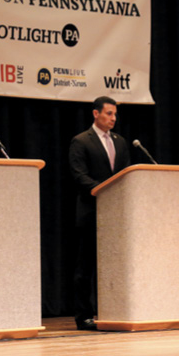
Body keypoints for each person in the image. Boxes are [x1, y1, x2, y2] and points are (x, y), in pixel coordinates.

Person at [68, 96, 131, 330]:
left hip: (116, 214)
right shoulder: (81, 141)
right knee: (85, 268)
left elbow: (126, 174)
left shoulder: (120, 142)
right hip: (91, 211)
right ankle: (83, 315)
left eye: (115, 114)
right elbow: (78, 175)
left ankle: (113, 310)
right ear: (96, 114)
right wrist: (103, 190)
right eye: (108, 114)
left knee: (115, 264)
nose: (113, 118)